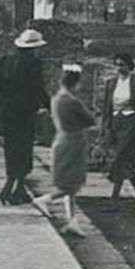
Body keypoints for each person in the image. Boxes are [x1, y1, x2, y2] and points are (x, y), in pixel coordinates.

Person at [32, 65, 95, 236]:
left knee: (70, 183)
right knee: (70, 184)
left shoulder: (56, 98)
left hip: (61, 139)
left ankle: (71, 220)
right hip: (73, 142)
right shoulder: (72, 101)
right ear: (75, 83)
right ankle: (44, 200)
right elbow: (90, 120)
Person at [0, 29, 51, 205]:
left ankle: (13, 187)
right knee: (25, 148)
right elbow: (37, 87)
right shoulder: (33, 63)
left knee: (12, 147)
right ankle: (14, 187)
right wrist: (49, 105)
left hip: (8, 110)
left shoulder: (8, 61)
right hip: (25, 112)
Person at [101, 52, 135, 212]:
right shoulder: (111, 83)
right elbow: (107, 108)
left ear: (129, 65)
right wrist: (106, 127)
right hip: (116, 123)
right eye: (116, 64)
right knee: (126, 162)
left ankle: (114, 200)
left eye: (122, 64)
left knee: (120, 158)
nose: (119, 68)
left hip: (132, 124)